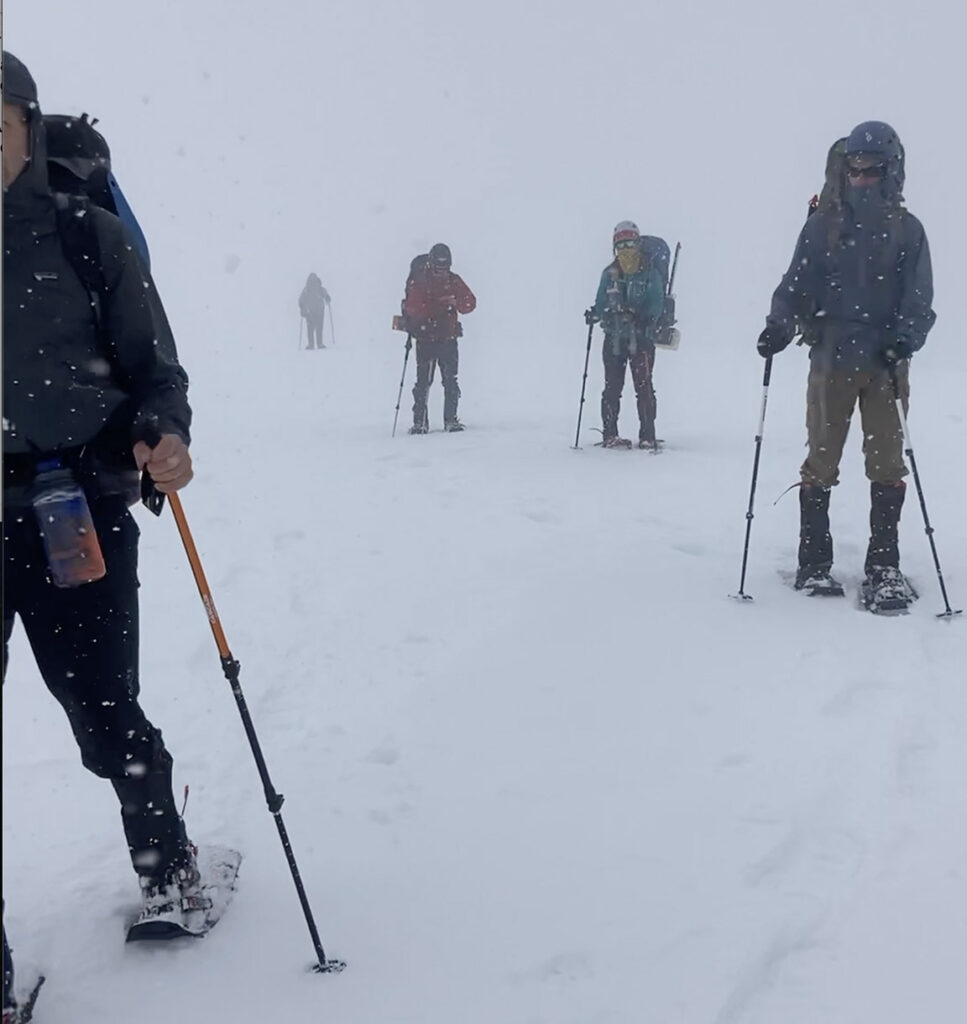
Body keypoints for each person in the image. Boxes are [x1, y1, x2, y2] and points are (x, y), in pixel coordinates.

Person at [2, 53, 204, 1007]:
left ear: (28, 129)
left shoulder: (86, 237)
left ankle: (168, 862)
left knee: (102, 715)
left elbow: (155, 369)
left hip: (66, 508)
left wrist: (162, 434)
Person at [757, 120, 935, 610]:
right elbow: (795, 285)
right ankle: (814, 563)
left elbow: (919, 298)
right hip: (831, 360)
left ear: (891, 170)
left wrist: (904, 341)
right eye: (854, 168)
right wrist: (780, 324)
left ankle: (884, 567)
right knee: (821, 460)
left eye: (872, 169)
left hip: (885, 366)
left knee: (886, 464)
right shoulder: (823, 226)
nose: (862, 177)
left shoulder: (908, 229)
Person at [587, 221, 665, 449]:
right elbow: (601, 303)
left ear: (639, 243)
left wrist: (640, 319)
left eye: (630, 242)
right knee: (614, 387)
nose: (626, 248)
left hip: (640, 339)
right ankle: (611, 434)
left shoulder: (650, 273)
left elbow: (656, 304)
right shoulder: (610, 274)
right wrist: (595, 313)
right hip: (615, 337)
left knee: (643, 386)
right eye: (621, 244)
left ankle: (647, 435)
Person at [401, 243, 476, 433]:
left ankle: (450, 420)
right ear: (430, 265)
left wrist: (455, 302)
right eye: (438, 269)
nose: (441, 273)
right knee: (423, 382)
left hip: (447, 337)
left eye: (445, 269)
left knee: (450, 380)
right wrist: (438, 306)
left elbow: (470, 303)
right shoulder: (419, 282)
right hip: (426, 337)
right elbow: (412, 307)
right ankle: (420, 422)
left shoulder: (453, 281)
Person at [298, 272, 331, 349]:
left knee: (312, 328)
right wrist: (302, 307)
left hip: (312, 311)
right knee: (316, 328)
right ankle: (316, 344)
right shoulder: (316, 289)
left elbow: (301, 300)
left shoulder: (308, 290)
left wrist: (302, 307)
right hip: (314, 311)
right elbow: (301, 300)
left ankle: (313, 344)